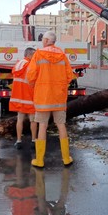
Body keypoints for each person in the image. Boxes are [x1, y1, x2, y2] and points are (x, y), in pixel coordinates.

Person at [26, 31, 74, 168]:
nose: (42, 41)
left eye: (43, 39)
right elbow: (69, 76)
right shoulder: (62, 56)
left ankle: (39, 160)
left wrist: (35, 85)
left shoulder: (38, 54)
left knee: (42, 126)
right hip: (59, 97)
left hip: (43, 98)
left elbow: (31, 75)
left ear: (46, 40)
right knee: (61, 125)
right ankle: (66, 158)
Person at [9, 47, 38, 149]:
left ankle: (18, 141)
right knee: (33, 120)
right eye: (34, 55)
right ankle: (34, 141)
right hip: (29, 97)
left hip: (18, 98)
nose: (35, 57)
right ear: (30, 55)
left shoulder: (18, 64)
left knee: (20, 120)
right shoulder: (31, 65)